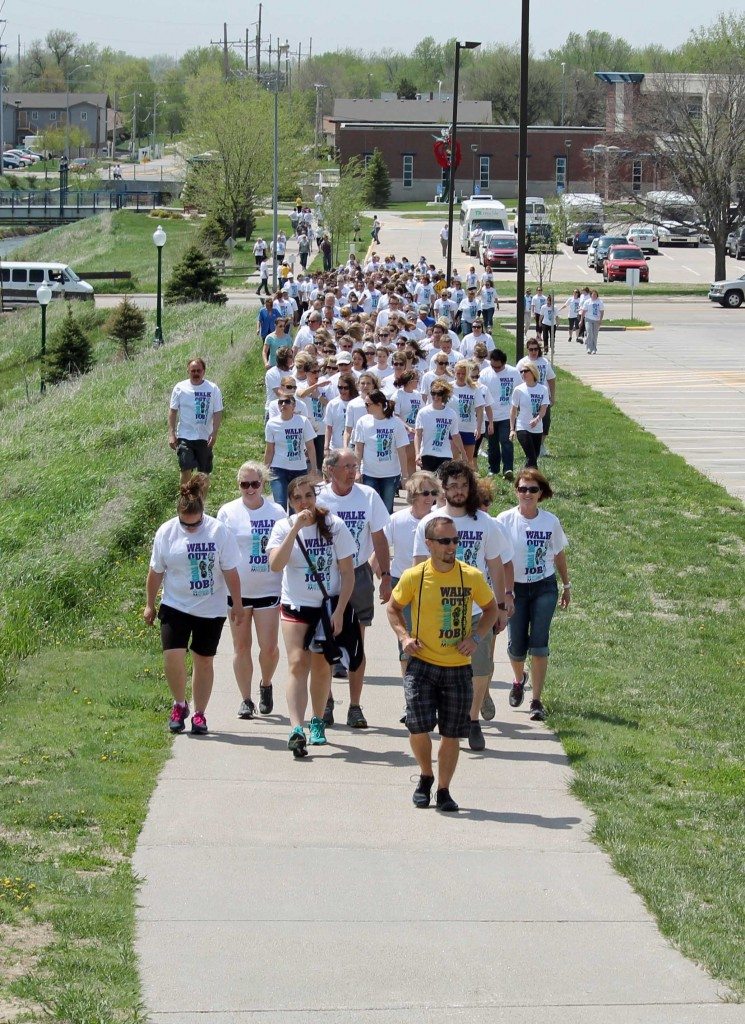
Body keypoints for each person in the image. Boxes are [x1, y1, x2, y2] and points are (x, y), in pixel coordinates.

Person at [387, 515, 499, 812]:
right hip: (422, 664)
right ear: (429, 544)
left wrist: (476, 637)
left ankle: (444, 790)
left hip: (458, 667)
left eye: (455, 540)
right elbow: (393, 608)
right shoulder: (416, 576)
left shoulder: (471, 576)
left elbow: (491, 609)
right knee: (417, 726)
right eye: (445, 541)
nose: (452, 546)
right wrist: (404, 637)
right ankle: (425, 775)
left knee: (452, 733)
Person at [412, 461, 511, 752]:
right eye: (452, 485)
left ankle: (472, 720)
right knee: (441, 668)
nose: (458, 491)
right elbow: (418, 565)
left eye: (463, 485)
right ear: (443, 488)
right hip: (440, 612)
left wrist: (503, 604)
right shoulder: (429, 522)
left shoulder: (486, 523)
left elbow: (496, 563)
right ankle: (447, 714)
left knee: (480, 667)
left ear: (471, 488)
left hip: (478, 610)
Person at [144, 475, 243, 736]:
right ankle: (179, 704)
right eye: (185, 524)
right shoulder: (166, 532)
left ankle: (199, 713)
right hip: (175, 605)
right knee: (172, 657)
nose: (190, 529)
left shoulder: (218, 531)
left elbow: (231, 571)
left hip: (210, 609)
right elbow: (155, 572)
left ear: (202, 513)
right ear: (178, 515)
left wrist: (238, 604)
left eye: (195, 524)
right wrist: (149, 604)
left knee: (204, 661)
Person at [267, 476, 357, 755]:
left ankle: (318, 720)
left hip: (326, 607)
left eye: (308, 496)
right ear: (290, 502)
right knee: (296, 663)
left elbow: (347, 572)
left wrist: (340, 610)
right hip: (295, 604)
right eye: (297, 498)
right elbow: (275, 565)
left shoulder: (334, 525)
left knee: (321, 667)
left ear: (316, 497)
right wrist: (295, 529)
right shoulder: (283, 527)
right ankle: (297, 727)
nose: (304, 502)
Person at [317, 449, 392, 728]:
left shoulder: (368, 496)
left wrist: (385, 576)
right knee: (325, 642)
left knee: (356, 644)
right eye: (346, 466)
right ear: (330, 470)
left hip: (359, 573)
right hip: (327, 575)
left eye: (355, 465)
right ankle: (325, 702)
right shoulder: (318, 497)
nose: (352, 471)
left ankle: (355, 706)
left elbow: (379, 538)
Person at [496, 469, 570, 722]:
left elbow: (559, 554)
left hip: (543, 587)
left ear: (541, 493)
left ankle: (536, 700)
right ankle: (519, 679)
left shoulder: (550, 522)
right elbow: (494, 558)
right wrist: (501, 593)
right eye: (523, 489)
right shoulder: (503, 520)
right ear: (516, 491)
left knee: (539, 644)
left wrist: (567, 585)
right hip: (514, 589)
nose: (527, 494)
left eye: (533, 489)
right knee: (516, 647)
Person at [217, 462, 286, 719]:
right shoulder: (227, 512)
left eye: (254, 484)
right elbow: (220, 551)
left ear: (263, 484)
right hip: (238, 591)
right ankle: (245, 699)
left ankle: (266, 684)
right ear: (238, 485)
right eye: (244, 484)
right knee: (241, 647)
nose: (249, 489)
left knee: (269, 648)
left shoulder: (277, 512)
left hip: (269, 587)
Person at [381, 471, 440, 678]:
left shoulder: (441, 521)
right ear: (413, 494)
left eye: (433, 493)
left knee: (431, 637)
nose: (429, 498)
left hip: (434, 585)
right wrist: (383, 580)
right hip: (403, 584)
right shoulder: (396, 519)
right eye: (425, 493)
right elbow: (378, 552)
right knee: (406, 639)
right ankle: (410, 691)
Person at [168, 358, 223, 489]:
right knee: (185, 467)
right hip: (185, 436)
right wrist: (171, 433)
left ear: (204, 371)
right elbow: (173, 411)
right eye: (193, 371)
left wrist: (214, 433)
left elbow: (218, 412)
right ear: (188, 371)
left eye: (199, 370)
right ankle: (185, 501)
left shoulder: (213, 389)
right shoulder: (180, 388)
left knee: (203, 473)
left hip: (204, 437)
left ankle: (201, 504)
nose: (196, 373)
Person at [353, 388, 410, 513]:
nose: (365, 407)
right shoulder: (362, 422)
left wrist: (405, 476)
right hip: (369, 473)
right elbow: (358, 449)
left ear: (378, 405)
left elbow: (402, 451)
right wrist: (356, 470)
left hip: (390, 474)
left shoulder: (396, 423)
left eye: (368, 404)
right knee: (369, 509)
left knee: (387, 509)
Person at [264, 392, 318, 509]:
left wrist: (313, 469)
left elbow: (310, 447)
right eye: (280, 402)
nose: (283, 404)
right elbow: (269, 450)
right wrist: (264, 472)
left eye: (287, 402)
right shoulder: (272, 424)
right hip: (278, 469)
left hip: (299, 470)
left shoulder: (303, 421)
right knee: (280, 504)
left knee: (298, 506)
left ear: (293, 406)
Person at [479, 348, 520, 480]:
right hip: (489, 415)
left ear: (504, 363)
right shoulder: (485, 373)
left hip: (506, 415)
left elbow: (519, 391)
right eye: (493, 366)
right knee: (493, 444)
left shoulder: (513, 372)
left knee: (506, 440)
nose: (495, 369)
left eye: (498, 367)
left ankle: (508, 468)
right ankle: (494, 469)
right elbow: (480, 393)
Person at [414, 380, 465, 472]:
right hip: (427, 453)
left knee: (442, 484)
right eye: (433, 393)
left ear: (444, 395)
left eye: (439, 394)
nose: (435, 397)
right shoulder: (423, 412)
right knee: (429, 484)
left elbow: (455, 435)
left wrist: (463, 453)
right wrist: (417, 453)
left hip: (445, 455)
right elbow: (418, 434)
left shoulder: (451, 413)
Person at [509, 362, 549, 469]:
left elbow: (543, 408)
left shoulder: (543, 389)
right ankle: (535, 480)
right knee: (531, 457)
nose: (523, 373)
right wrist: (512, 429)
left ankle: (525, 476)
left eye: (526, 371)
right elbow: (513, 410)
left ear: (533, 372)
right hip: (522, 427)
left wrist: (537, 419)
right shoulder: (519, 390)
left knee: (533, 457)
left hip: (537, 428)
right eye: (521, 371)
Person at [451, 359, 485, 471]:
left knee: (468, 460)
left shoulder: (474, 388)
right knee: (454, 458)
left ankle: (468, 484)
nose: (460, 376)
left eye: (463, 374)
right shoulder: (449, 388)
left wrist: (478, 427)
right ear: (454, 373)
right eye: (458, 373)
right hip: (453, 429)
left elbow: (480, 409)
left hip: (469, 428)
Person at [583, 288, 605, 354]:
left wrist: (600, 320)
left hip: (596, 320)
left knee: (595, 335)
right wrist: (581, 320)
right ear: (591, 295)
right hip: (588, 319)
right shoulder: (587, 302)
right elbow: (584, 311)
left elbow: (602, 312)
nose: (594, 296)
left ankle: (594, 349)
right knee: (589, 334)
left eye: (595, 295)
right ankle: (589, 348)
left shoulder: (600, 302)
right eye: (593, 294)